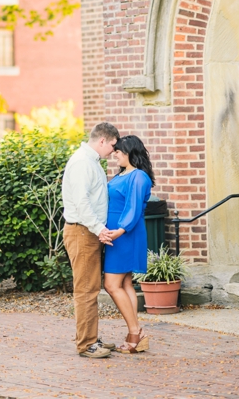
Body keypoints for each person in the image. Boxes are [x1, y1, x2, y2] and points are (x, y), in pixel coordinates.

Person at [61, 122, 120, 358]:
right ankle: (86, 345)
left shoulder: (91, 162)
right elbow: (81, 202)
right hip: (82, 231)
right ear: (102, 140)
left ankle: (91, 338)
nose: (114, 151)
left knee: (91, 288)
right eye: (113, 146)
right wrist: (99, 229)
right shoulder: (82, 163)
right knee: (86, 290)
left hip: (88, 232)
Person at [102, 135, 154, 353]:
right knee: (124, 284)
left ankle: (135, 332)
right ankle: (136, 332)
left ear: (130, 152)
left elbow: (133, 209)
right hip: (116, 234)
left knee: (111, 285)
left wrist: (118, 232)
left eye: (119, 151)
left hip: (125, 235)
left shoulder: (139, 177)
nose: (116, 154)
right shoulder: (122, 174)